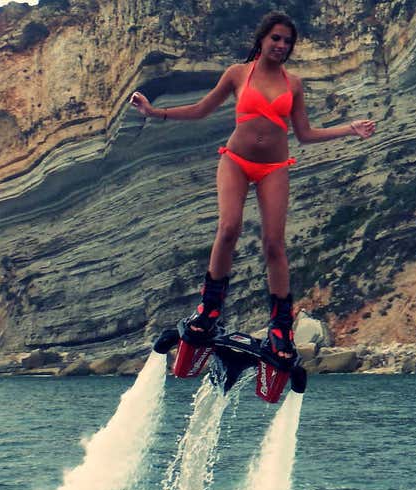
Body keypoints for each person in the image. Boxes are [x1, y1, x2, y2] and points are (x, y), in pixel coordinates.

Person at [130, 12, 375, 360]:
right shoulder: (237, 73)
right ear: (262, 38)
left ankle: (279, 328)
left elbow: (304, 135)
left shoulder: (294, 84)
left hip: (274, 167)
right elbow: (202, 109)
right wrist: (155, 113)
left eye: (287, 41)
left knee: (274, 244)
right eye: (276, 38)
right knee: (229, 228)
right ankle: (209, 310)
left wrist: (349, 129)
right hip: (235, 160)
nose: (281, 45)